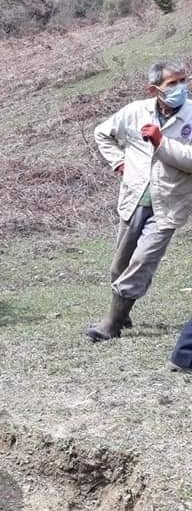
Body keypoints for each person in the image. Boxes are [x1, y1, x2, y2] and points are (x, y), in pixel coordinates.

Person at [89, 60, 192, 342]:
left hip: (168, 204)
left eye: (183, 80)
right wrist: (118, 162)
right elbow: (102, 133)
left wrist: (162, 143)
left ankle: (110, 324)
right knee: (119, 266)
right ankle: (123, 312)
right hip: (134, 200)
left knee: (143, 261)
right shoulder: (135, 112)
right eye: (173, 83)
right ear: (154, 89)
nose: (181, 87)